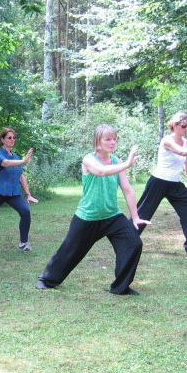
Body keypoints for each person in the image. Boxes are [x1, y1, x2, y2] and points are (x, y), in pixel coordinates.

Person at [36, 124, 150, 295]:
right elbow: (101, 171)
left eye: (114, 139)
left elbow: (127, 189)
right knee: (70, 251)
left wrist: (135, 217)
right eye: (108, 139)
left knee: (133, 243)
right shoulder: (88, 159)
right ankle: (46, 280)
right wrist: (127, 164)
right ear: (98, 141)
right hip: (88, 217)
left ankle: (120, 288)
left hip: (112, 215)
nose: (112, 142)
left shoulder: (116, 161)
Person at [137, 111, 187, 254]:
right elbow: (182, 152)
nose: (186, 129)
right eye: (183, 126)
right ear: (174, 125)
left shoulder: (186, 142)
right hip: (158, 181)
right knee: (143, 213)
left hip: (175, 184)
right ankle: (127, 240)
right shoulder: (167, 140)